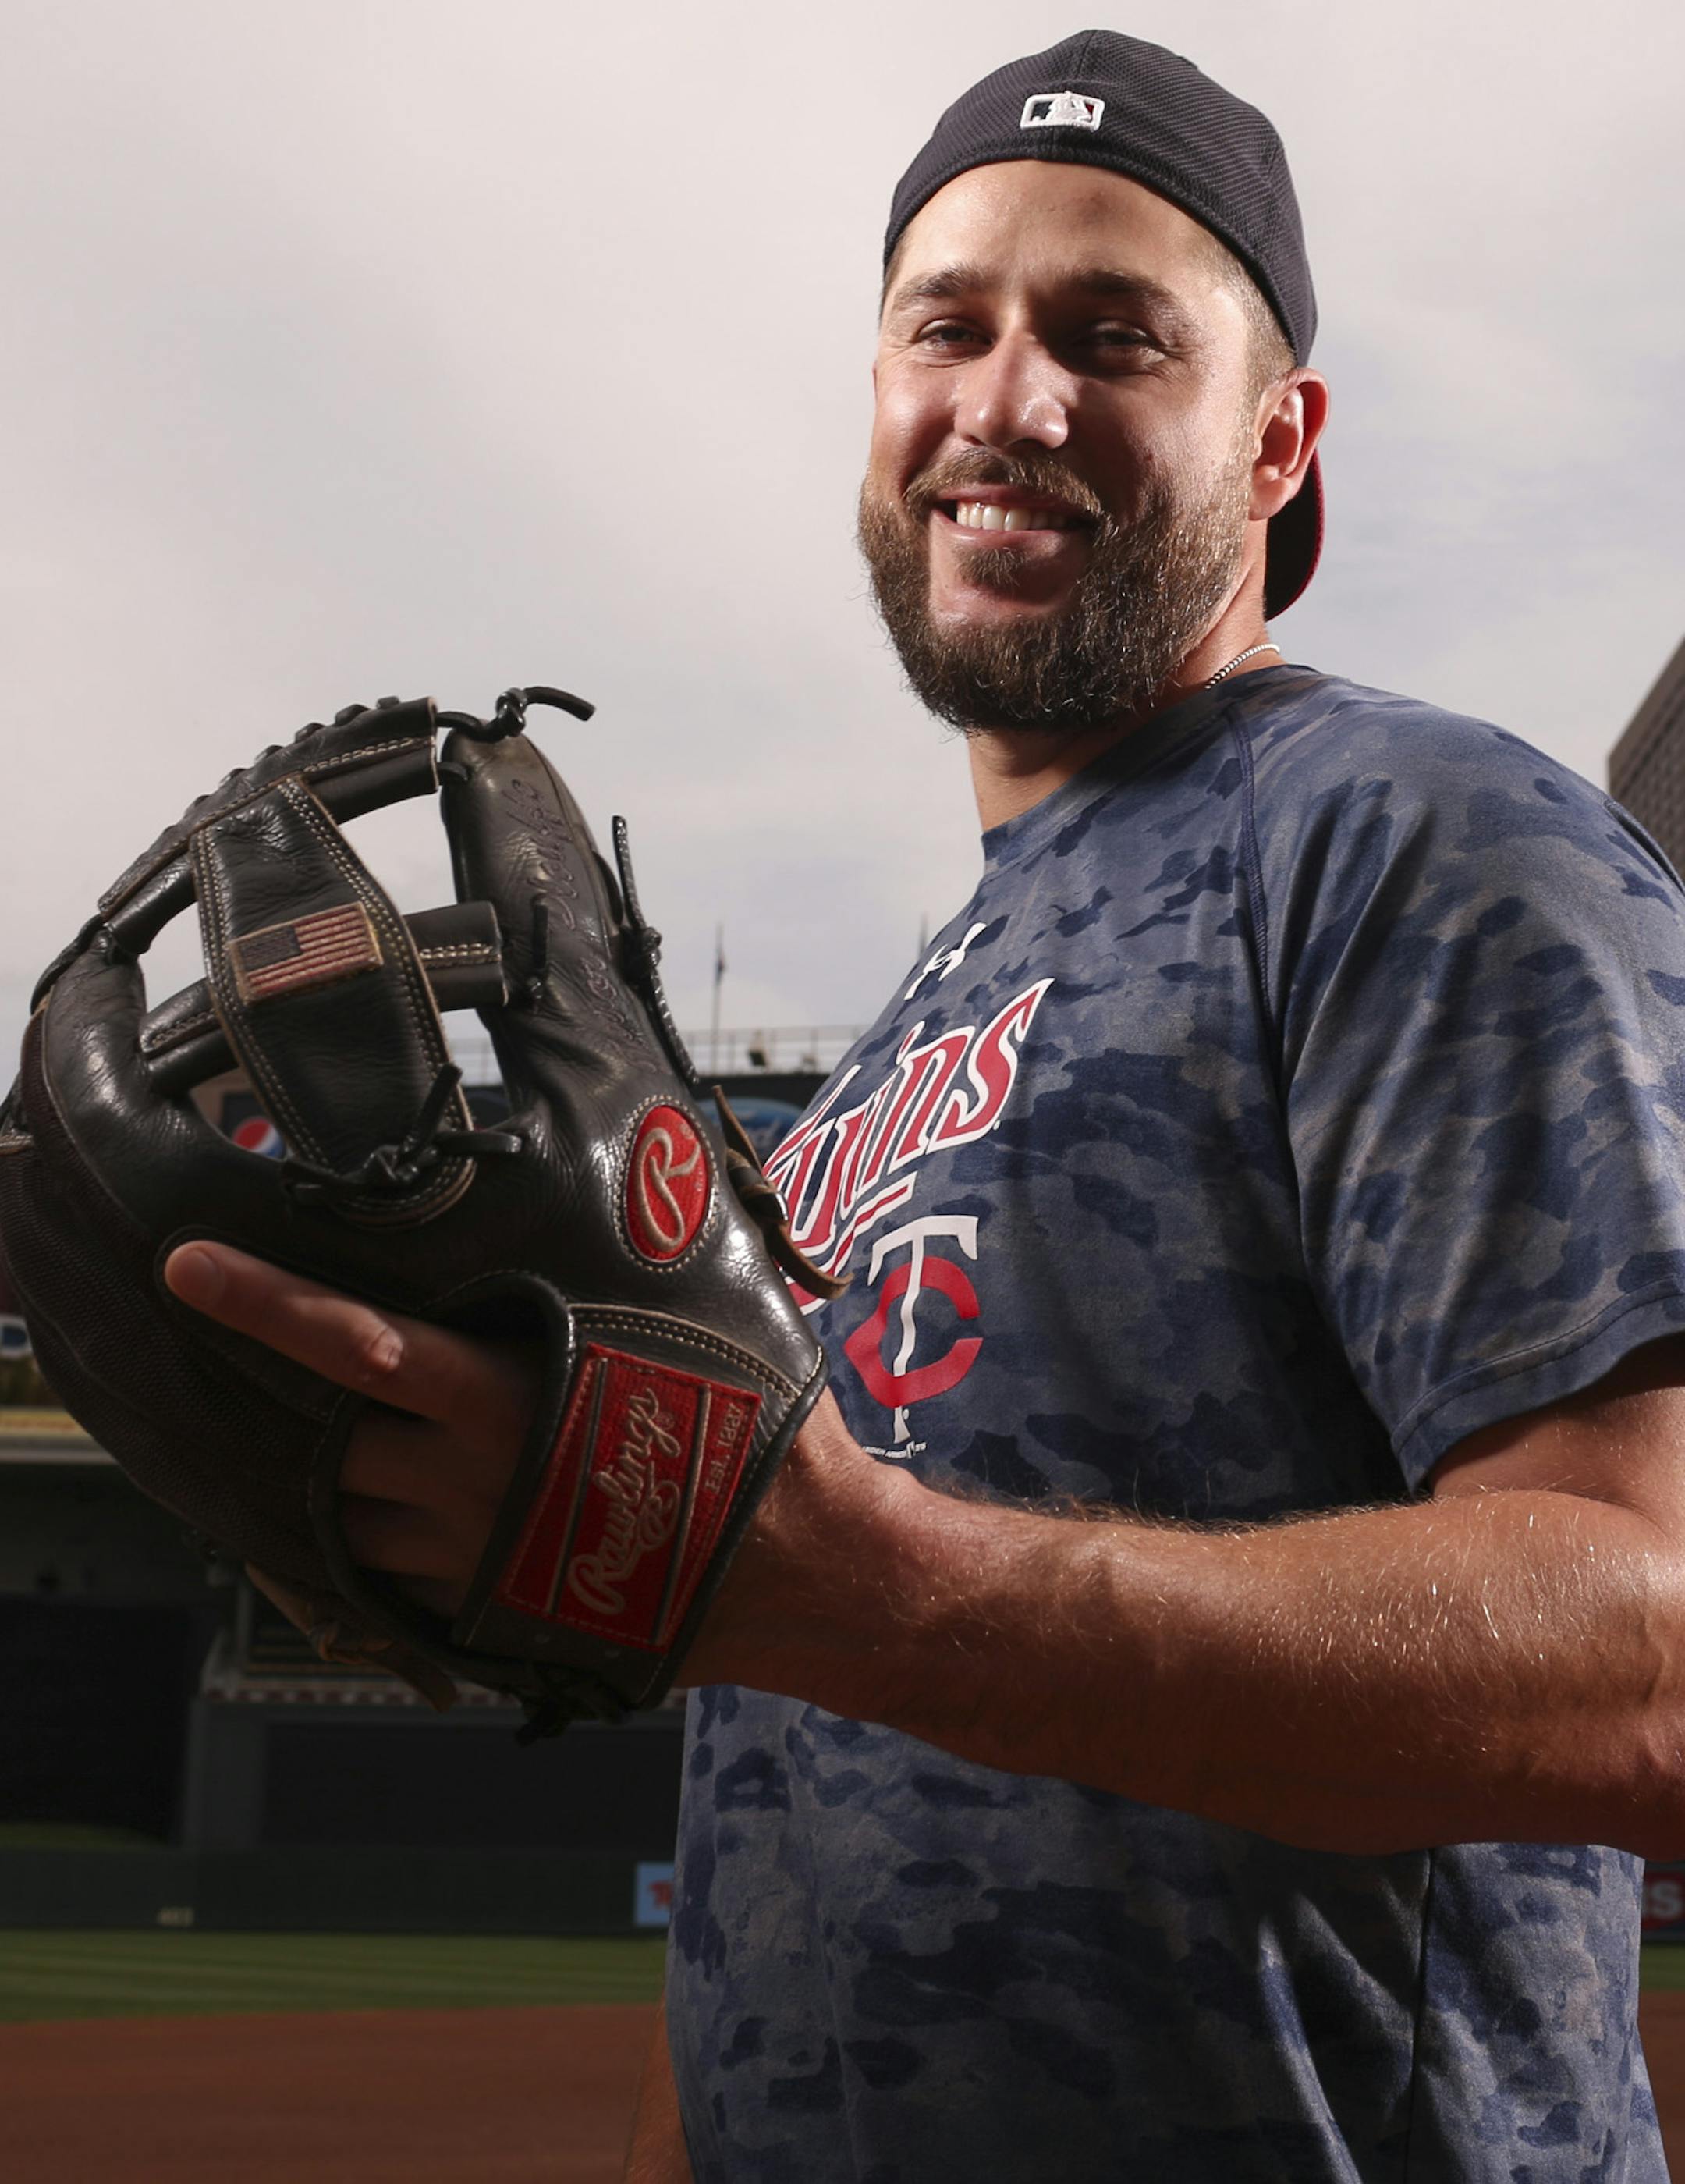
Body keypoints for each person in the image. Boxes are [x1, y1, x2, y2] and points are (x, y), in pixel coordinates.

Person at [162, 30, 1685, 2182]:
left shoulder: (1411, 836)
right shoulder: (883, 1055)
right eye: (945, 327)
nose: (1010, 402)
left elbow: (1654, 1652)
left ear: (1279, 440)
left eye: (1113, 334)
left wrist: (847, 1591)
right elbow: (785, 1793)